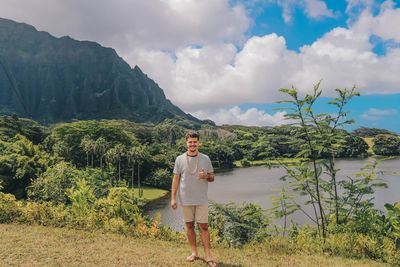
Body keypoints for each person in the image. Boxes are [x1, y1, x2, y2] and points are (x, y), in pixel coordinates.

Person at [171, 131, 217, 267]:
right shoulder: (179, 159)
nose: (192, 144)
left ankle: (208, 256)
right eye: (190, 142)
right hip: (185, 199)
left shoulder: (205, 158)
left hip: (201, 199)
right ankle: (194, 253)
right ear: (186, 143)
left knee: (203, 226)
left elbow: (213, 177)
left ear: (198, 143)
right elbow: (176, 179)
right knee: (189, 225)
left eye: (195, 141)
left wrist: (206, 177)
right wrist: (173, 198)